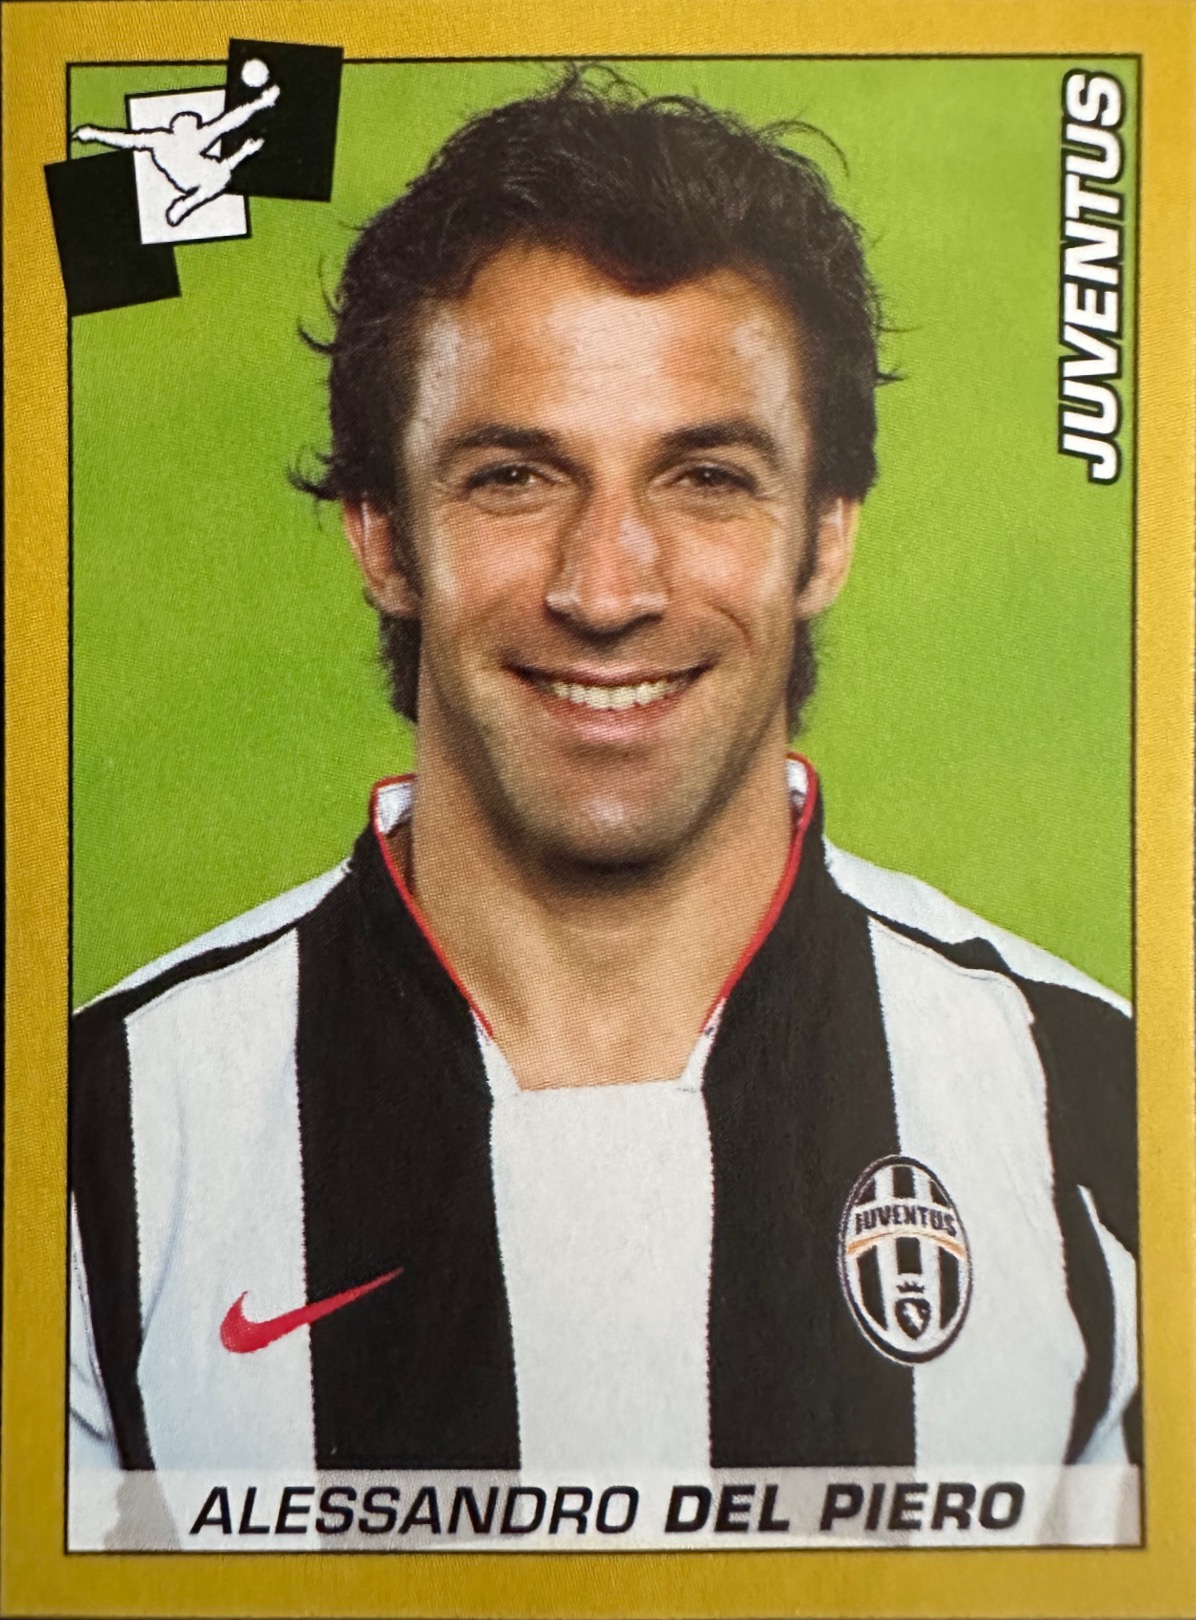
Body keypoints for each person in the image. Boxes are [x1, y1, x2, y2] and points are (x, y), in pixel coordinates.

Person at [69, 72, 1137, 1520]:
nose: (607, 588)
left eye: (706, 477)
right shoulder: (98, 1141)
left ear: (825, 537)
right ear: (382, 536)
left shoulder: (1099, 1107)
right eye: (515, 476)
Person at [74, 80, 279, 226]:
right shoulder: (162, 138)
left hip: (197, 175)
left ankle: (185, 205)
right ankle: (185, 205)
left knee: (221, 175)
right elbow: (127, 139)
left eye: (193, 122)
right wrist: (93, 133)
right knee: (220, 174)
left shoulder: (196, 137)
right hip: (187, 177)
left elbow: (229, 121)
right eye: (188, 121)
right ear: (176, 127)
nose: (193, 125)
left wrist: (259, 106)